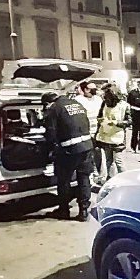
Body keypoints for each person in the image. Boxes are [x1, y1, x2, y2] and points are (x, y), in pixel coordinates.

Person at [42, 91, 94, 222]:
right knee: (84, 178)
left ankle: (63, 210)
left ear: (48, 102)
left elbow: (51, 133)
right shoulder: (76, 103)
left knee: (63, 180)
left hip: (69, 150)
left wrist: (49, 149)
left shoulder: (54, 108)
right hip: (86, 146)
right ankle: (84, 211)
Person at [94, 84, 131, 181]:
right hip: (105, 135)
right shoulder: (104, 104)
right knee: (108, 160)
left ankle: (126, 179)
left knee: (118, 161)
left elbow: (129, 121)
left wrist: (116, 123)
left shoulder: (124, 106)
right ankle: (110, 179)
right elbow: (99, 116)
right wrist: (100, 120)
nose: (108, 101)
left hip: (117, 137)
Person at [74, 80, 103, 181]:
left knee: (98, 153)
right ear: (86, 90)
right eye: (92, 89)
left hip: (99, 130)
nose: (95, 91)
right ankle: (92, 173)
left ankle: (99, 173)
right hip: (86, 131)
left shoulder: (98, 99)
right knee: (89, 154)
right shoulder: (78, 100)